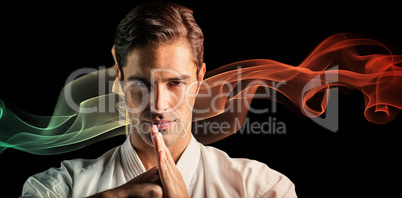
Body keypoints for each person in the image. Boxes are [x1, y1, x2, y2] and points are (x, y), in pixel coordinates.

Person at [21, 2, 296, 197]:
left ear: (200, 78)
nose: (158, 105)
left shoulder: (263, 189)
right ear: (120, 77)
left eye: (175, 83)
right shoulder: (56, 189)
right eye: (140, 84)